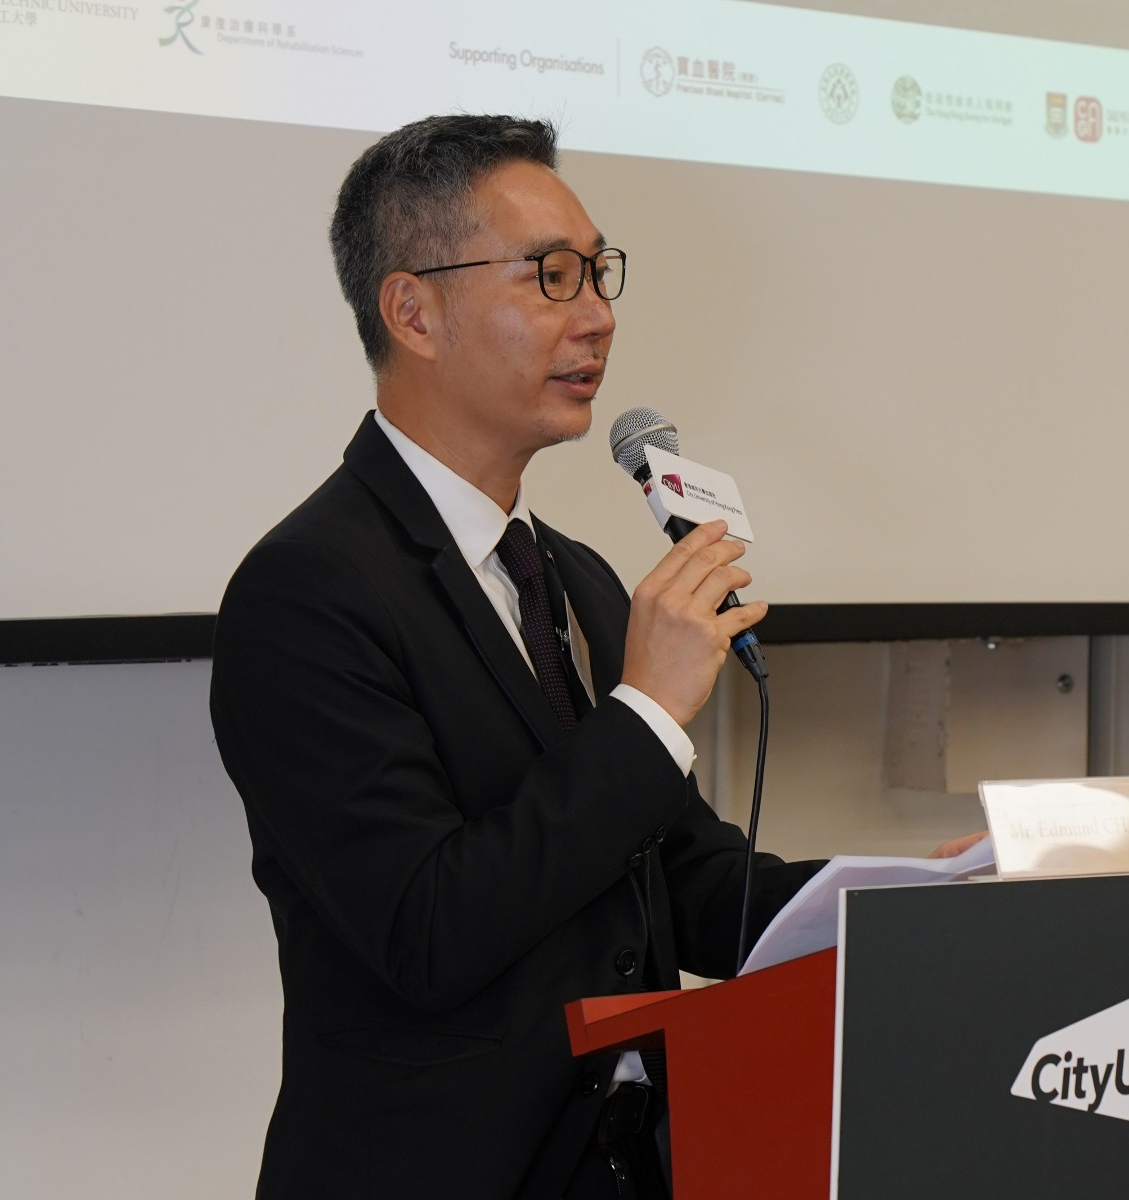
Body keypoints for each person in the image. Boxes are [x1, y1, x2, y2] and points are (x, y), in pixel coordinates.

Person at [210, 114, 837, 1199]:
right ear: (413, 310)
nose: (597, 316)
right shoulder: (305, 592)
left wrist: (905, 898)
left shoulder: (573, 575)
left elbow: (682, 883)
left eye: (598, 272)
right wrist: (645, 714)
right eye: (551, 276)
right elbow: (427, 928)